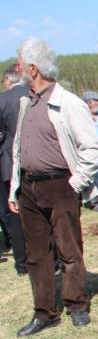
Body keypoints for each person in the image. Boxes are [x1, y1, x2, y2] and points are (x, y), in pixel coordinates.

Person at [9, 38, 98, 336]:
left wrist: (75, 183)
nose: (19, 68)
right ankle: (44, 312)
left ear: (33, 68)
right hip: (29, 189)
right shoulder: (26, 103)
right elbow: (18, 150)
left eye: (22, 63)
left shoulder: (69, 103)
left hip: (61, 185)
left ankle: (76, 305)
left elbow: (91, 149)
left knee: (69, 249)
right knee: (36, 255)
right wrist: (15, 189)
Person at [0, 65, 27, 274]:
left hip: (10, 163)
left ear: (8, 80)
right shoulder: (35, 94)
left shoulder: (3, 100)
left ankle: (22, 262)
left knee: (15, 214)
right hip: (37, 160)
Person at [81, 90, 98, 211]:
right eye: (97, 101)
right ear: (90, 103)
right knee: (92, 177)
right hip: (90, 152)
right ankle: (94, 200)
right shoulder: (83, 119)